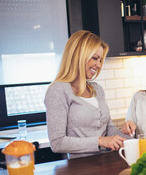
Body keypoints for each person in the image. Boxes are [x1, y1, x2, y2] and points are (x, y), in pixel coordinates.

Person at [44, 30, 130, 159]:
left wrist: (139, 142)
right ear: (78, 55)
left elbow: (110, 130)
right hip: (80, 168)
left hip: (106, 162)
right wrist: (100, 141)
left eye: (100, 60)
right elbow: (57, 143)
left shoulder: (97, 89)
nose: (99, 65)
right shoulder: (58, 90)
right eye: (95, 58)